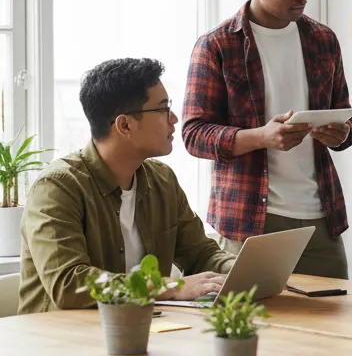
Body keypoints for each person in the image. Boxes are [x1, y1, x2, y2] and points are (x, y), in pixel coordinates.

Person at [182, 0, 352, 279]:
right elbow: (194, 134)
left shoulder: (324, 40)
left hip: (321, 217)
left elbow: (346, 124)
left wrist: (341, 134)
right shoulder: (217, 45)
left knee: (335, 328)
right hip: (251, 221)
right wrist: (261, 137)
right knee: (257, 329)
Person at [19, 58, 233, 314]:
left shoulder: (163, 180)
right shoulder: (56, 188)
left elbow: (201, 254)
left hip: (143, 332)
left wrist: (245, 272)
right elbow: (68, 284)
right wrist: (171, 286)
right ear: (125, 125)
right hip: (61, 341)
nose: (174, 119)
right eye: (163, 109)